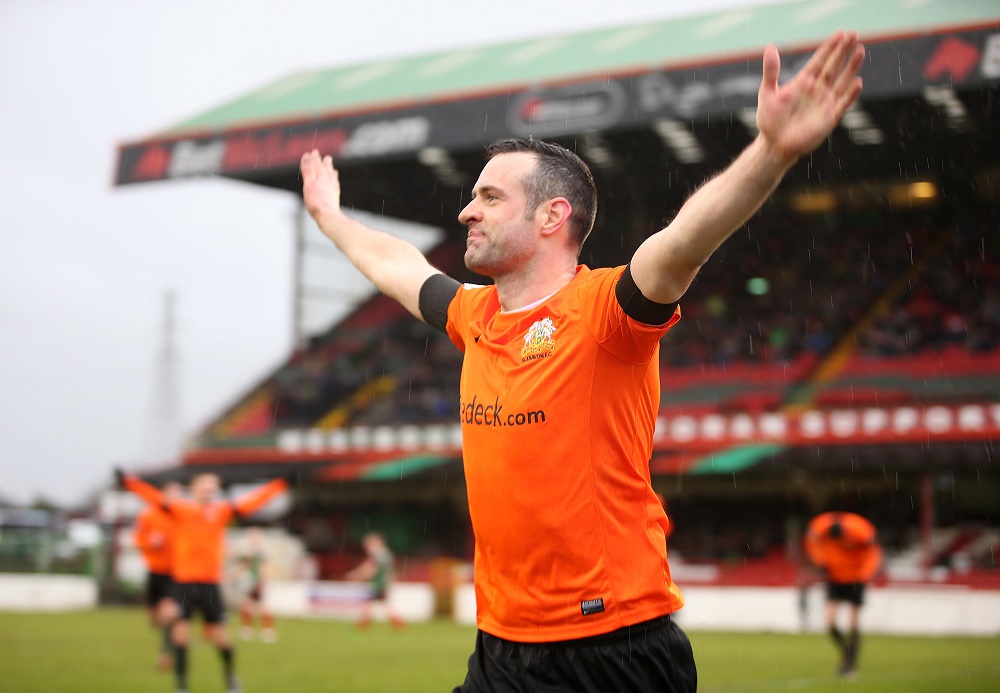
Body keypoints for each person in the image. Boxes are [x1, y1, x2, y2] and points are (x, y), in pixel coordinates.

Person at [300, 29, 865, 692]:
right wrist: (330, 216)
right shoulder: (474, 316)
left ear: (552, 215)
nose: (465, 211)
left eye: (489, 197)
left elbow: (684, 242)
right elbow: (399, 265)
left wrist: (769, 153)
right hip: (502, 645)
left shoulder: (609, 311)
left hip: (610, 650)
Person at [117, 470, 288, 693]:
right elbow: (154, 498)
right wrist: (129, 482)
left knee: (221, 637)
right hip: (184, 582)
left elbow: (249, 503)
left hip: (209, 584)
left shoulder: (221, 510)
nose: (210, 488)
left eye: (214, 485)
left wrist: (278, 485)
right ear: (194, 487)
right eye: (206, 484)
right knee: (180, 633)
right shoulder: (181, 509)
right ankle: (182, 687)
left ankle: (230, 678)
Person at [804, 511, 882, 679]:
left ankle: (850, 663)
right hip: (835, 578)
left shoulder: (860, 529)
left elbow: (874, 551)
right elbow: (811, 542)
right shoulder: (820, 525)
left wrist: (866, 573)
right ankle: (847, 653)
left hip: (856, 578)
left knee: (853, 622)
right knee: (829, 621)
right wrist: (820, 561)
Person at [133, 481, 182, 670]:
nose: (175, 498)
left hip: (176, 571)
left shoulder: (183, 515)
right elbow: (137, 538)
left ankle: (165, 653)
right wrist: (149, 541)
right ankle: (165, 627)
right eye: (172, 493)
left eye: (179, 494)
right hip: (155, 570)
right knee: (154, 617)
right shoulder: (149, 514)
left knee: (169, 611)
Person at [344, 531, 405, 630]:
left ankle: (364, 623)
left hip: (378, 584)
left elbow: (371, 568)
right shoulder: (386, 553)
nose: (367, 548)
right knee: (380, 603)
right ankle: (396, 623)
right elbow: (389, 570)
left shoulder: (378, 554)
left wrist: (356, 575)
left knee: (372, 603)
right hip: (382, 583)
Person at [236, 527, 277, 643]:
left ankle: (268, 630)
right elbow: (244, 565)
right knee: (246, 604)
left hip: (258, 581)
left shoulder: (262, 551)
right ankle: (247, 629)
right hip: (248, 581)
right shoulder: (247, 550)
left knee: (262, 605)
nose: (252, 538)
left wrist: (262, 580)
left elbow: (265, 567)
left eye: (254, 536)